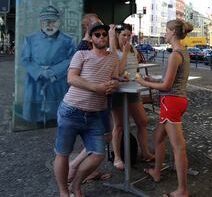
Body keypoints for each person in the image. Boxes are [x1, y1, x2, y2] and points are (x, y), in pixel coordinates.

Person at [53, 21, 119, 197]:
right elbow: (71, 78)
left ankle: (76, 184)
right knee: (63, 154)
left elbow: (113, 77)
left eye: (104, 34)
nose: (102, 37)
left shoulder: (113, 57)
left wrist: (114, 83)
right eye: (97, 34)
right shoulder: (81, 54)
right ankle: (63, 192)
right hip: (71, 111)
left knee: (98, 154)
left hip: (95, 114)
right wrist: (96, 88)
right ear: (90, 38)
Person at [136, 19, 193, 197]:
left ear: (173, 33)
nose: (164, 33)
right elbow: (171, 80)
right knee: (158, 137)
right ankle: (156, 172)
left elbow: (167, 86)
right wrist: (155, 80)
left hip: (171, 102)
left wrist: (142, 81)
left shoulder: (175, 55)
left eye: (166, 31)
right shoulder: (182, 52)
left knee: (178, 147)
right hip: (178, 101)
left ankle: (182, 190)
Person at [67, 14, 112, 183]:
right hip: (91, 101)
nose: (101, 27)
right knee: (103, 137)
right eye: (98, 23)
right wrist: (96, 87)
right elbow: (74, 77)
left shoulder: (88, 44)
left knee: (103, 137)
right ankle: (76, 167)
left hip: (97, 99)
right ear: (89, 27)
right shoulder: (84, 47)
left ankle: (87, 170)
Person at [20, 5, 76, 126]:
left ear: (59, 22)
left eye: (53, 21)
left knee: (57, 115)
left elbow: (72, 58)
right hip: (36, 83)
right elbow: (25, 59)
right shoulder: (30, 39)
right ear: (41, 23)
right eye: (46, 22)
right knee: (37, 116)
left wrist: (54, 71)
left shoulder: (68, 40)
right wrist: (39, 72)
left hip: (58, 82)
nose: (49, 25)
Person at [108, 23, 154, 170]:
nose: (127, 38)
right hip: (118, 91)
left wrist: (142, 77)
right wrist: (126, 53)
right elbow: (118, 71)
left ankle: (145, 152)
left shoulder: (132, 48)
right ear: (117, 36)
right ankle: (117, 157)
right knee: (120, 125)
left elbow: (134, 68)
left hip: (133, 89)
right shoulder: (112, 50)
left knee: (142, 121)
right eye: (124, 35)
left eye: (129, 35)